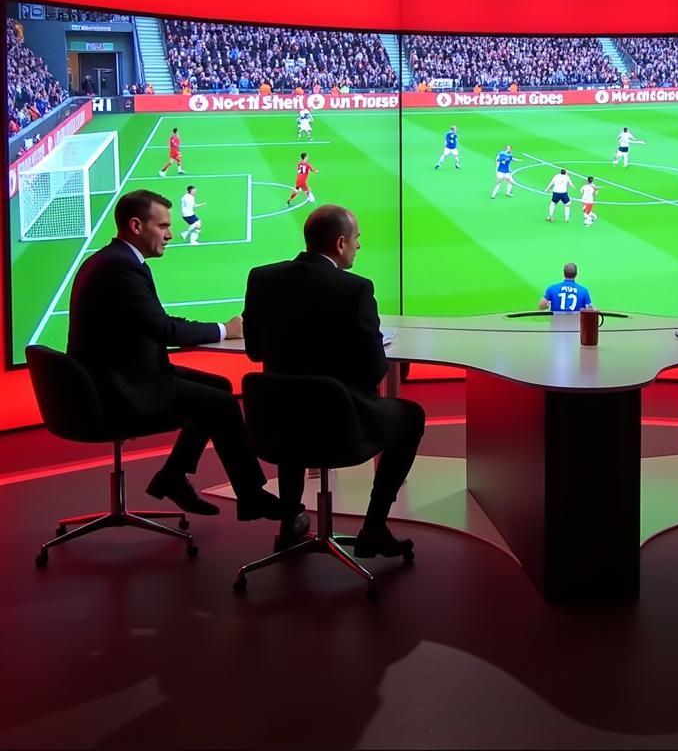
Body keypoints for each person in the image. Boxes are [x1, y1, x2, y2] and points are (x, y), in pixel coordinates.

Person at [67, 190, 286, 525]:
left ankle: (173, 475)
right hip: (119, 387)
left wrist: (214, 328)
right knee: (221, 404)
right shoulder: (120, 270)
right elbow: (164, 331)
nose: (170, 234)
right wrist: (224, 330)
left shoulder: (115, 261)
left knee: (219, 387)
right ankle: (252, 495)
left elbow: (153, 321)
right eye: (163, 226)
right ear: (137, 226)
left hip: (120, 374)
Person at [243, 205, 424, 557]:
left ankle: (290, 521)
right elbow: (375, 371)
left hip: (278, 424)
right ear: (341, 243)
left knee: (293, 409)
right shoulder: (355, 289)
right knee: (411, 415)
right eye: (356, 240)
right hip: (341, 426)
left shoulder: (261, 278)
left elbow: (254, 351)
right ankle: (373, 528)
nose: (359, 246)